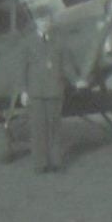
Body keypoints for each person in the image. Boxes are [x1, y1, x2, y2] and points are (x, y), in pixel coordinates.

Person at [22, 12, 67, 173]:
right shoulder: (28, 42)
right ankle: (40, 164)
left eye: (47, 20)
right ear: (36, 22)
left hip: (54, 91)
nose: (44, 23)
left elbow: (64, 65)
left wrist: (78, 80)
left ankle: (56, 162)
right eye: (41, 20)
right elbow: (22, 69)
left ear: (50, 23)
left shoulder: (57, 41)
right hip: (37, 92)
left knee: (55, 128)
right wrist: (23, 91)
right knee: (38, 129)